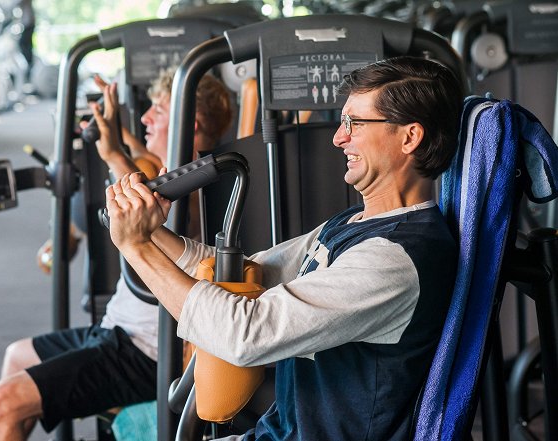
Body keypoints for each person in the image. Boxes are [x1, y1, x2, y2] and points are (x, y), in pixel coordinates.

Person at [104, 56, 464, 440]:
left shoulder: (395, 259)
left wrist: (136, 247)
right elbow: (243, 274)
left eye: (354, 124)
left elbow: (244, 336)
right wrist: (152, 230)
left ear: (410, 137)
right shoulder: (356, 223)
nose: (338, 137)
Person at [0, 69, 233, 441]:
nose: (146, 118)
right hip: (115, 332)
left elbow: (148, 200)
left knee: (2, 402)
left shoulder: (190, 186)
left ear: (188, 124)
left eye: (158, 111)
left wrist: (114, 152)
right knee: (17, 356)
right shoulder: (167, 166)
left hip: (145, 353)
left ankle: (7, 420)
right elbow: (142, 157)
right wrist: (116, 131)